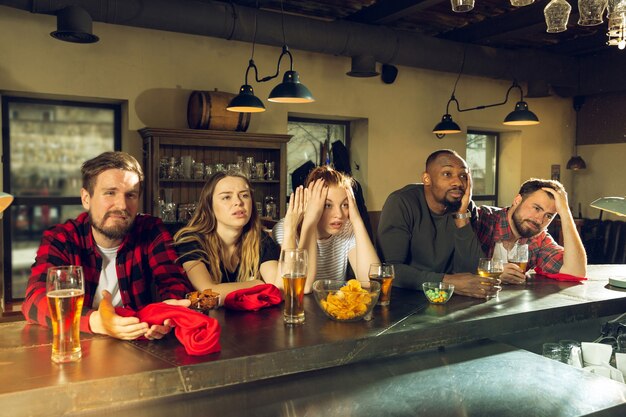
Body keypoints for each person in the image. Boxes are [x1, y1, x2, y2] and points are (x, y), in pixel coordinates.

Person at [22, 151, 192, 341]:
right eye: (110, 193)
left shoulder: (151, 230)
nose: (122, 205)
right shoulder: (61, 238)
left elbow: (174, 282)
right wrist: (96, 322)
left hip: (138, 344)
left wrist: (165, 315)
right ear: (86, 199)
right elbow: (34, 301)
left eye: (131, 195)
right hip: (77, 343)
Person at [377, 149, 499, 299]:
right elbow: (390, 269)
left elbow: (471, 271)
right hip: (404, 298)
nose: (458, 183)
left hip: (448, 297)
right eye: (447, 174)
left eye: (463, 176)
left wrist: (462, 216)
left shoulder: (466, 208)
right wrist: (446, 281)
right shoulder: (401, 202)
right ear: (427, 179)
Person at [174, 171, 283, 302]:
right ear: (209, 206)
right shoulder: (191, 241)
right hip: (207, 320)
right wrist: (258, 284)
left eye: (244, 195)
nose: (238, 202)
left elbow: (279, 288)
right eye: (226, 197)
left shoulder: (260, 239)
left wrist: (292, 229)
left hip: (253, 320)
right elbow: (207, 292)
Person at [272, 165, 380, 294]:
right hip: (299, 311)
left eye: (344, 204)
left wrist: (357, 220)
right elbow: (303, 287)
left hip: (334, 309)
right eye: (328, 205)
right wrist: (310, 220)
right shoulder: (286, 229)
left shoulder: (345, 228)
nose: (339, 214)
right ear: (310, 203)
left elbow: (371, 282)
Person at [474, 178, 587, 284]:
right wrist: (493, 273)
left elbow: (575, 272)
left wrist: (565, 212)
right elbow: (457, 270)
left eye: (548, 216)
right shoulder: (482, 218)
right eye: (537, 208)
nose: (539, 220)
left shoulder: (538, 237)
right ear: (517, 200)